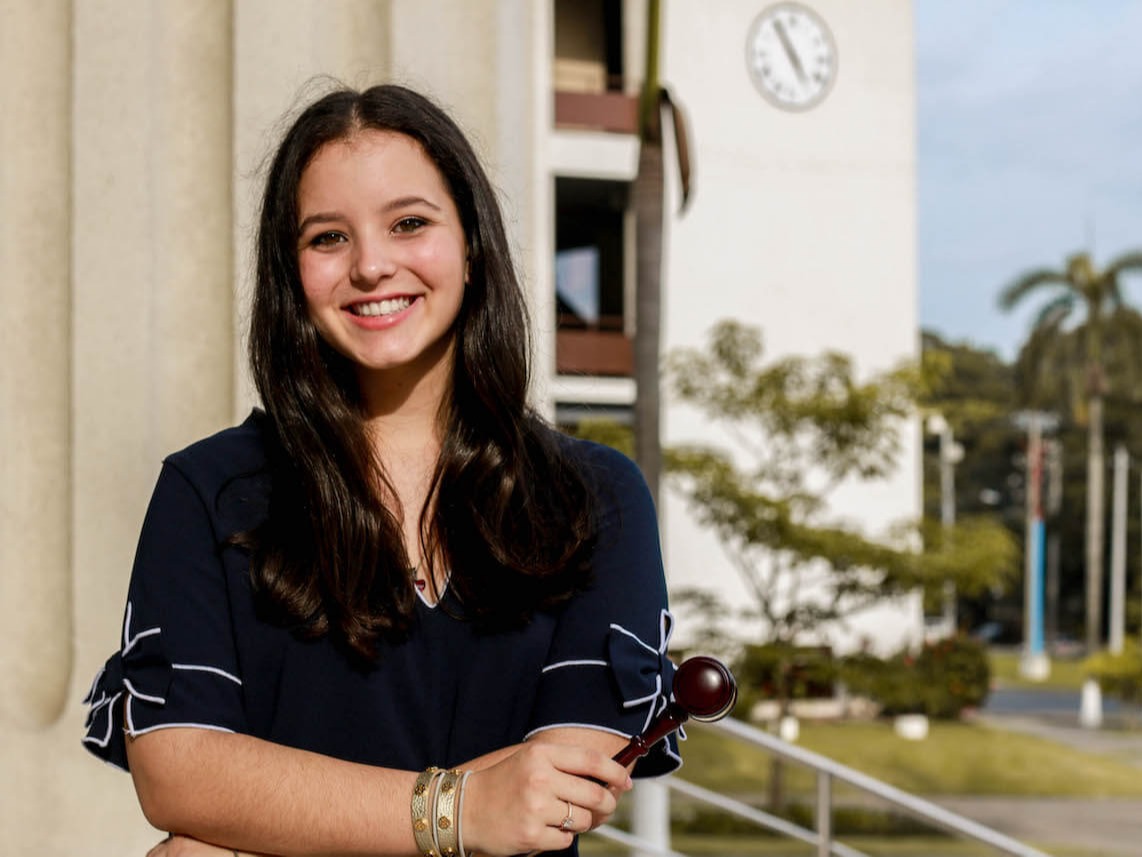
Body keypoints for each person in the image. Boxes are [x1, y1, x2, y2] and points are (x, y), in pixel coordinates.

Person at [82, 83, 679, 857]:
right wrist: (458, 809)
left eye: (409, 223)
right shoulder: (208, 493)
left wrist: (256, 829)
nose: (370, 265)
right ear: (289, 270)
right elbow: (178, 772)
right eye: (327, 238)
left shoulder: (594, 498)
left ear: (471, 242)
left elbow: (552, 790)